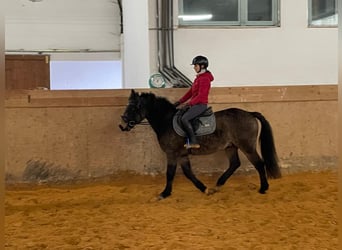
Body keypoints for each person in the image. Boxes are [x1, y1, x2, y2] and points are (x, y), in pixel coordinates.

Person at [174, 55, 214, 149]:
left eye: (196, 65)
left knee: (185, 118)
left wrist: (189, 104)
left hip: (200, 105)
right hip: (195, 104)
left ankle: (193, 141)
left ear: (202, 66)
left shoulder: (205, 79)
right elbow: (190, 93)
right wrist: (179, 102)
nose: (194, 68)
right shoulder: (198, 78)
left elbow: (201, 96)